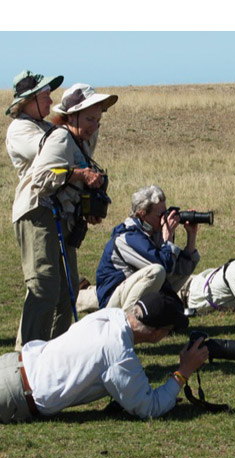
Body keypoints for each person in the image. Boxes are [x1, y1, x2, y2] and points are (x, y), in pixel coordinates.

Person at [12, 83, 117, 349]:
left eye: (98, 119)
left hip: (62, 220)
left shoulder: (79, 143)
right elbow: (42, 178)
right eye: (90, 118)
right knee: (45, 288)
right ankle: (25, 363)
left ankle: (54, 358)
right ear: (72, 116)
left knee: (67, 292)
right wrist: (79, 175)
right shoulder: (60, 138)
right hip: (40, 213)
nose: (94, 125)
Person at [0, 290, 208, 423]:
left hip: (12, 363)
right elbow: (149, 408)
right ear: (156, 333)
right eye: (169, 330)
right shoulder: (118, 354)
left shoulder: (109, 315)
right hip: (13, 395)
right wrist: (183, 372)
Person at [79, 185, 201, 313]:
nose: (164, 219)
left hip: (131, 293)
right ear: (142, 214)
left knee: (175, 270)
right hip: (112, 302)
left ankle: (154, 315)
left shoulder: (154, 232)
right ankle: (127, 321)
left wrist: (191, 235)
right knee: (156, 271)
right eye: (160, 215)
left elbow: (181, 269)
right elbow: (164, 267)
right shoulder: (128, 237)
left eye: (165, 212)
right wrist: (168, 237)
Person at [5, 69, 64, 178]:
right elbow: (51, 150)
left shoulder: (44, 125)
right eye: (46, 96)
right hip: (38, 194)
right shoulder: (18, 128)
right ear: (30, 100)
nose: (50, 101)